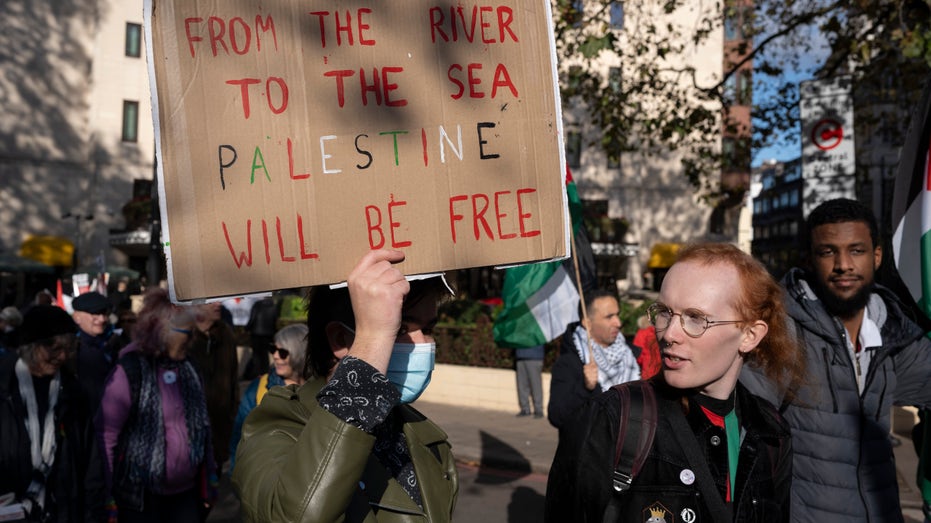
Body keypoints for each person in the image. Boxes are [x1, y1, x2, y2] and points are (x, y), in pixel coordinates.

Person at [545, 243, 804, 522]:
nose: (669, 333)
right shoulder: (613, 418)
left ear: (750, 335)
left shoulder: (770, 433)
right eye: (664, 312)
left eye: (696, 318)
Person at [740, 198, 931, 523]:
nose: (844, 264)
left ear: (877, 256)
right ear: (810, 260)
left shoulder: (893, 331)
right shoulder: (783, 331)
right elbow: (737, 431)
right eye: (828, 252)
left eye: (856, 250)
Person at [233, 250, 459, 521]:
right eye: (399, 329)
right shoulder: (276, 426)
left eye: (428, 329)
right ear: (340, 339)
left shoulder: (425, 438)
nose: (423, 345)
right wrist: (373, 339)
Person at [96, 288, 217, 522]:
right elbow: (106, 435)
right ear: (162, 330)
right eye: (187, 333)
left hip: (186, 495)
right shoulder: (130, 371)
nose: (192, 341)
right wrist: (107, 494)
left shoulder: (190, 367)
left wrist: (210, 477)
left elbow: (204, 427)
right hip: (140, 498)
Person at [0, 305, 106, 522]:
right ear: (30, 346)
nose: (61, 356)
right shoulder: (4, 389)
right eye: (53, 348)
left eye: (67, 348)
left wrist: (93, 513)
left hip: (61, 509)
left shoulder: (72, 392)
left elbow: (90, 460)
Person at [548, 290, 640, 437]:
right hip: (587, 455)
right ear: (587, 323)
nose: (618, 323)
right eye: (609, 317)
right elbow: (557, 416)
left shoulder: (633, 356)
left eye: (617, 314)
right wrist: (585, 388)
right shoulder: (569, 362)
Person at [228, 323, 308, 473]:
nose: (276, 356)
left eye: (283, 352)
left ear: (300, 354)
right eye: (273, 349)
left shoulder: (321, 389)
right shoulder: (258, 388)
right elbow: (239, 438)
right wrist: (237, 475)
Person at [187, 301, 239, 475]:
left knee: (212, 488)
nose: (218, 303)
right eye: (210, 299)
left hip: (218, 429)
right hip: (188, 433)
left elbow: (233, 381)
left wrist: (232, 416)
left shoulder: (226, 335)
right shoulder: (184, 336)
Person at [72, 291, 127, 414]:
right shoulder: (71, 348)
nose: (102, 319)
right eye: (95, 313)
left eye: (105, 313)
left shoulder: (116, 342)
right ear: (77, 317)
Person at [243, 295, 280, 380]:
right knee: (265, 355)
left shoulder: (257, 304)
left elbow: (252, 318)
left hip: (256, 333)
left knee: (256, 355)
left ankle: (255, 374)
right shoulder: (274, 306)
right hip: (268, 334)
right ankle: (265, 374)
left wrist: (246, 329)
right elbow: (275, 321)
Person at [514, 344, 545, 418]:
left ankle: (538, 409)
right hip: (520, 356)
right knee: (522, 385)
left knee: (535, 385)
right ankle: (525, 409)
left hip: (535, 357)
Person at [631, 313, 662, 379]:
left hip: (647, 365)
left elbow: (637, 351)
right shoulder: (656, 332)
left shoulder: (641, 333)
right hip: (659, 365)